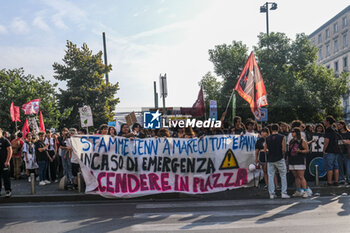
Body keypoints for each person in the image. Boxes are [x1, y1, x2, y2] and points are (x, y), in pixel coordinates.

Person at [264, 124, 290, 199]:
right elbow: (284, 149)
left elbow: (265, 150)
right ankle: (283, 193)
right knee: (283, 175)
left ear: (271, 130)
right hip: (279, 158)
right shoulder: (282, 137)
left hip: (270, 159)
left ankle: (271, 193)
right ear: (278, 129)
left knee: (271, 176)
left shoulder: (267, 138)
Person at [287, 128, 310, 198]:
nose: (292, 133)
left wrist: (300, 151)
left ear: (297, 133)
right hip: (292, 160)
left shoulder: (302, 140)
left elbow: (307, 150)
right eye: (291, 132)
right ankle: (298, 190)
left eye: (293, 132)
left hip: (299, 160)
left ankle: (306, 191)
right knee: (296, 176)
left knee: (301, 176)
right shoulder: (291, 141)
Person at [323, 116, 340, 186]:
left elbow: (327, 140)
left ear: (328, 122)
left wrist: (324, 149)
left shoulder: (328, 130)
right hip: (336, 150)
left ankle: (329, 182)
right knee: (336, 166)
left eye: (325, 121)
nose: (324, 122)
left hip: (329, 150)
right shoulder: (335, 129)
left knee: (329, 167)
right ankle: (336, 181)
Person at [336, 120, 350, 184]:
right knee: (339, 167)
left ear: (343, 125)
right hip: (338, 152)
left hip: (347, 152)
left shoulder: (348, 133)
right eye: (337, 125)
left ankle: (348, 179)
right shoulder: (337, 133)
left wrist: (347, 142)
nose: (338, 126)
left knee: (348, 168)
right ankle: (341, 179)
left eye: (339, 124)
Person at [0, 128, 12, 197]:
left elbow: (10, 151)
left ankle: (8, 191)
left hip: (4, 162)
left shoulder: (5, 140)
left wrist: (7, 161)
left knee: (6, 177)